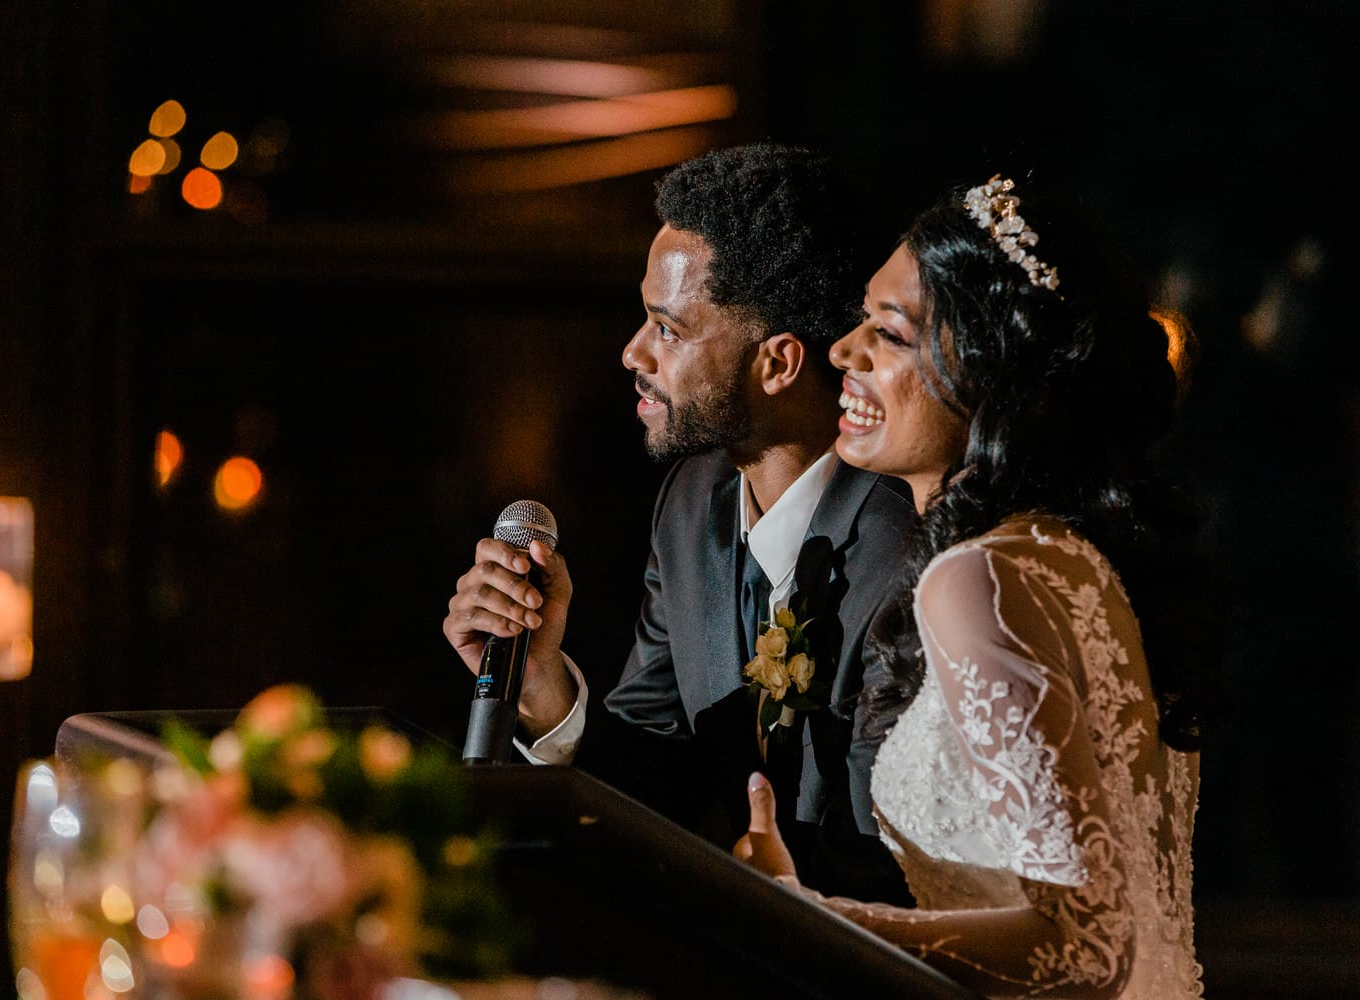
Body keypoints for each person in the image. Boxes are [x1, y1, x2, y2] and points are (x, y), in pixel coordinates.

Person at [735, 174, 1213, 998]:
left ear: (991, 368)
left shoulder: (978, 579)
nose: (844, 352)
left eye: (888, 333)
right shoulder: (1068, 558)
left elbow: (1089, 945)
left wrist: (801, 914)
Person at [443, 143, 918, 902]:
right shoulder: (692, 503)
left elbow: (887, 873)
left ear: (779, 363)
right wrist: (541, 691)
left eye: (668, 328)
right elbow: (653, 780)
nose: (633, 351)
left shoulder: (904, 552)